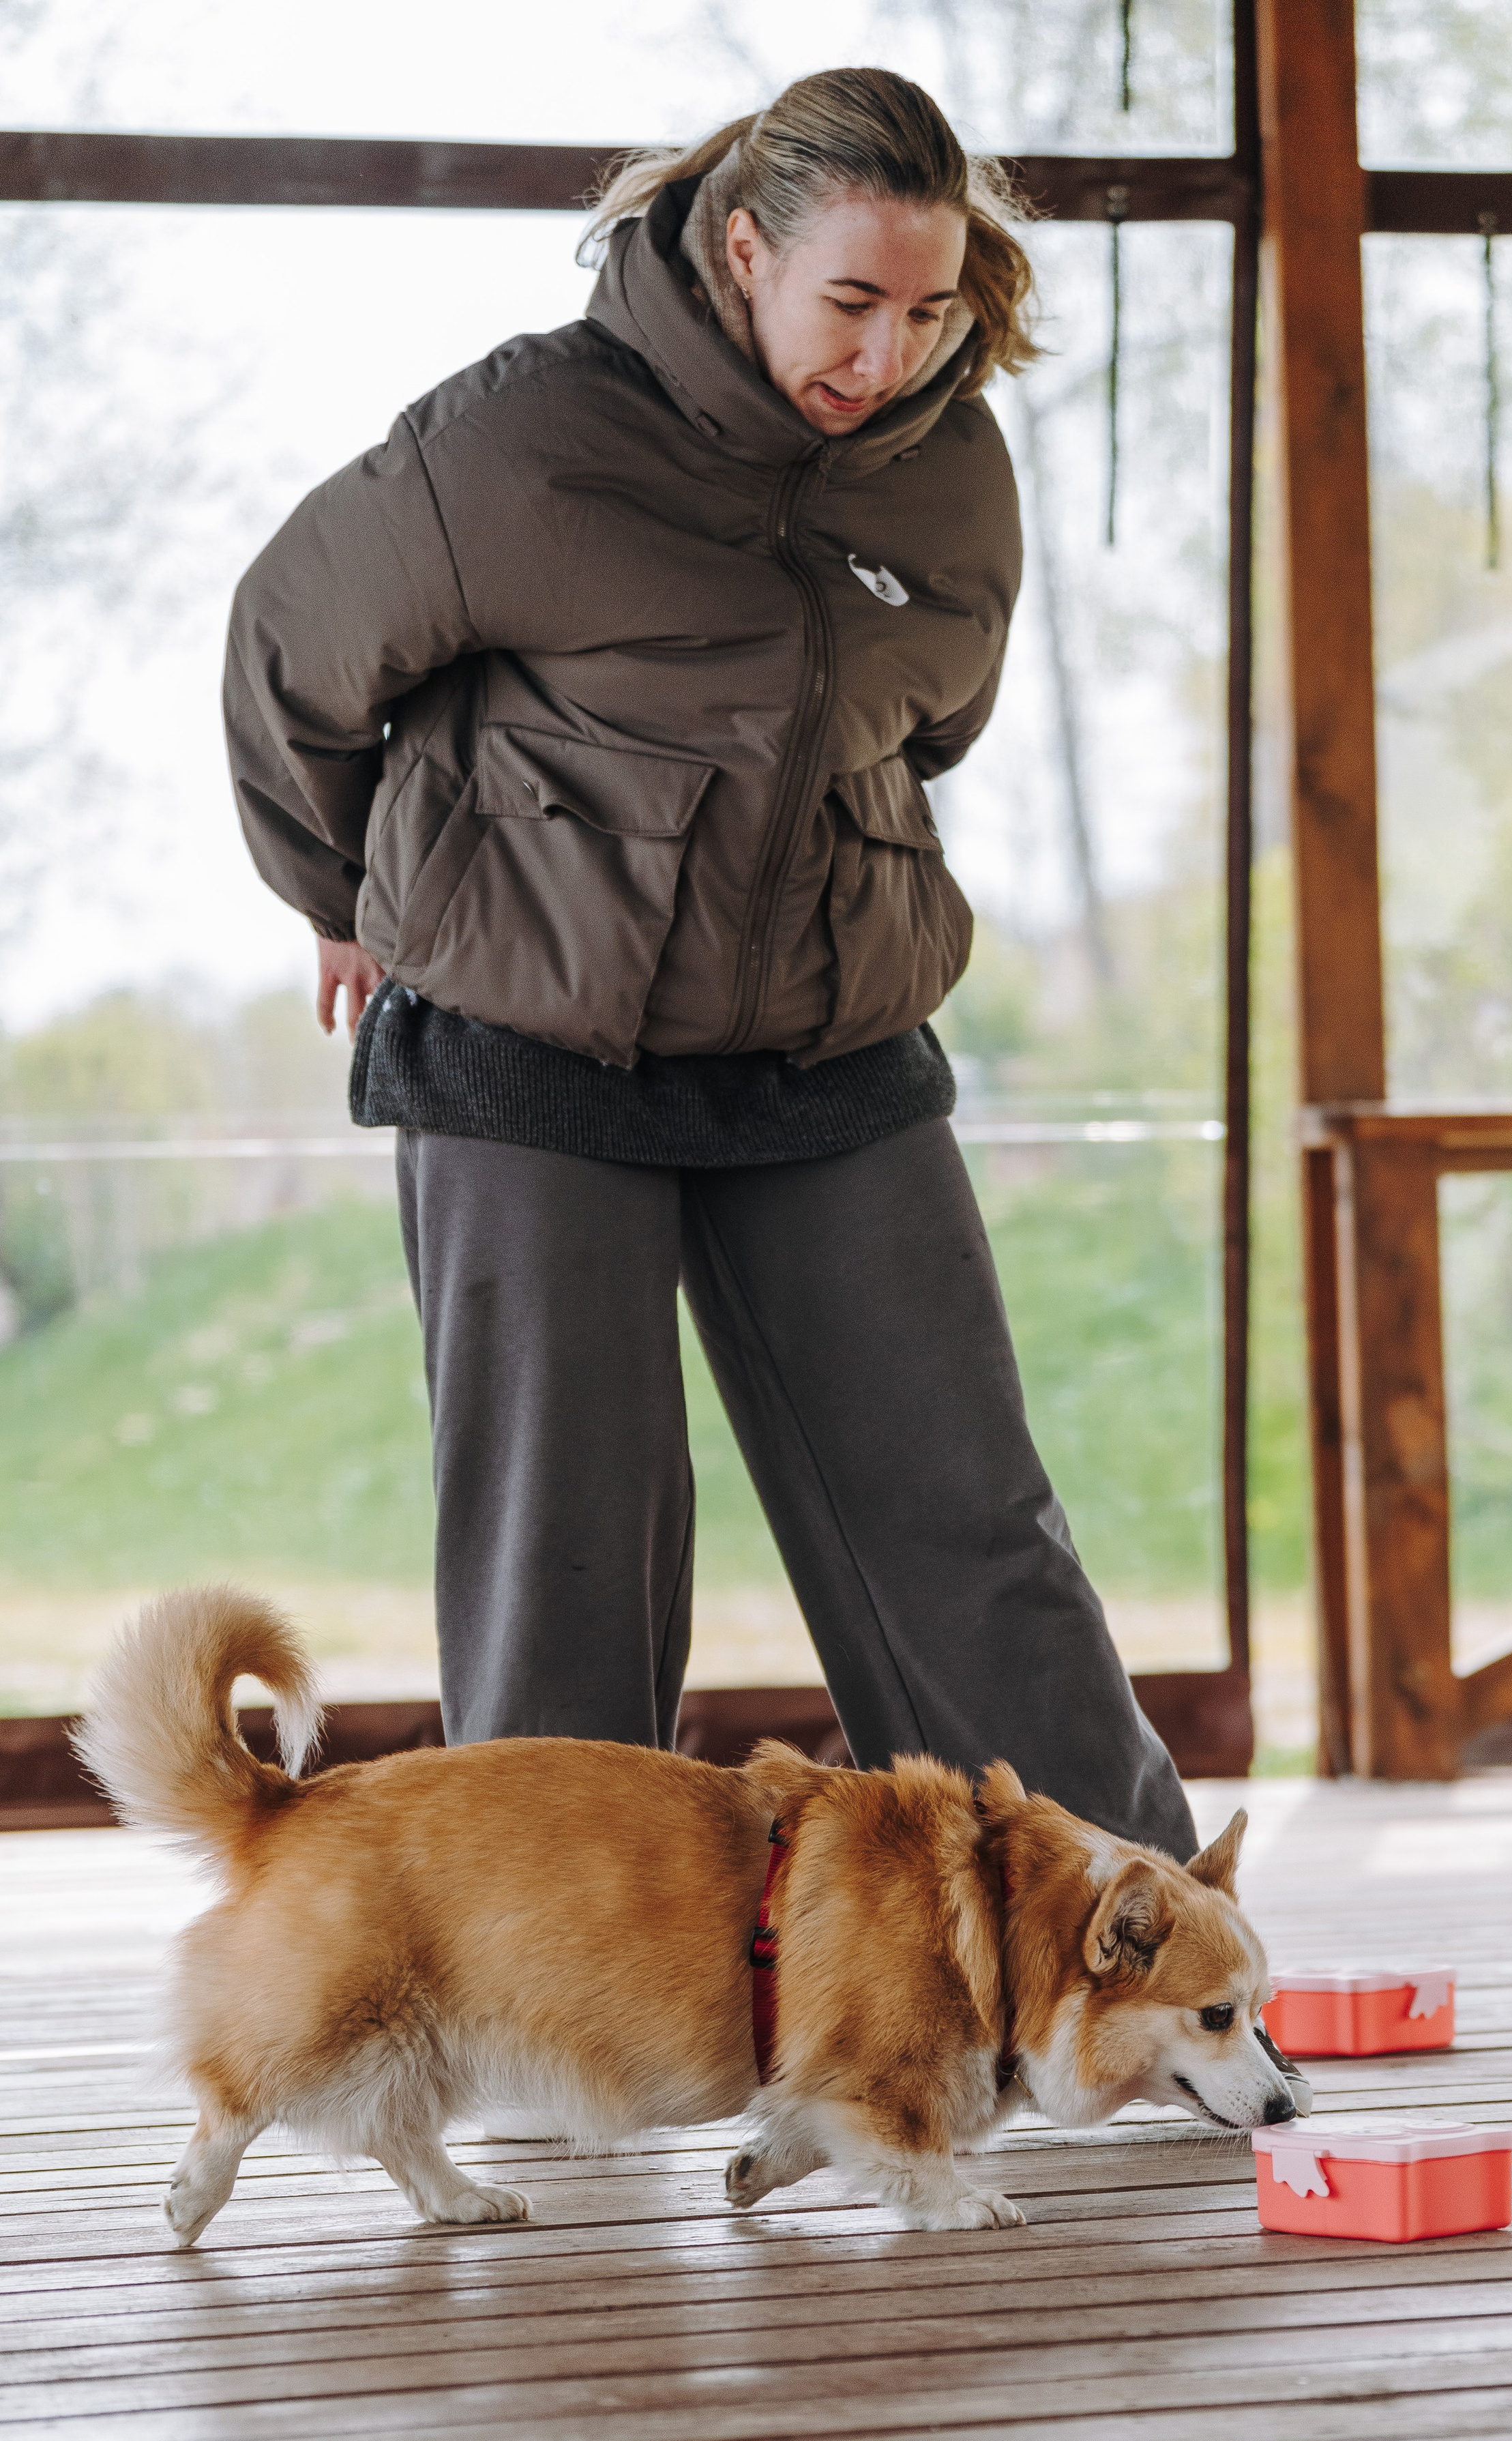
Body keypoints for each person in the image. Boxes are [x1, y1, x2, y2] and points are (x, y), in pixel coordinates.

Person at [224, 65, 1198, 1860]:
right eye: (850, 302)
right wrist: (335, 892)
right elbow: (293, 647)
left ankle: (1117, 1946)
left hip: (829, 1051)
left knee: (969, 1524)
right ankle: (557, 2003)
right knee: (566, 1558)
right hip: (531, 1054)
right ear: (742, 249)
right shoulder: (522, 438)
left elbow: (940, 721)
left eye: (929, 311)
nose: (887, 353)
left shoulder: (952, 473)